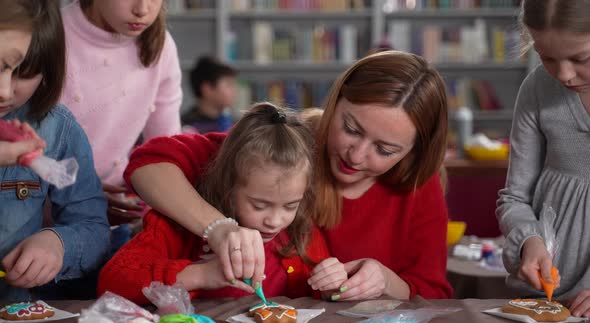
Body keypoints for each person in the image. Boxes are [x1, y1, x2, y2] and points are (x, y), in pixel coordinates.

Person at [125, 50, 452, 301]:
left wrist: (384, 279)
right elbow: (148, 164)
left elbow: (434, 294)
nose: (356, 154)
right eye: (351, 128)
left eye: (385, 150)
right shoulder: (289, 148)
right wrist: (218, 227)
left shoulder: (418, 187)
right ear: (335, 100)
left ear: (413, 152)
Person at [98, 103, 345, 304]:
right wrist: (201, 275)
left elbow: (313, 290)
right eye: (259, 205)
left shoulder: (301, 231)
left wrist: (329, 285)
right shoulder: (177, 225)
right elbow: (111, 283)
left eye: (290, 206)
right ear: (229, 185)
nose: (275, 220)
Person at [0, 0, 109, 301]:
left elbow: (93, 227)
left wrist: (58, 244)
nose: (5, 91)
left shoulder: (57, 129)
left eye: (22, 71)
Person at [497, 0, 590, 318]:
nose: (564, 74)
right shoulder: (536, 89)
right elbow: (515, 197)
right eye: (546, 57)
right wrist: (529, 240)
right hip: (545, 299)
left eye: (583, 58)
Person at [60, 0, 183, 226]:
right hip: (41, 206)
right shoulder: (51, 35)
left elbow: (167, 150)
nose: (142, 10)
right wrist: (78, 198)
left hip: (116, 210)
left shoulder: (162, 47)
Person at [182, 55, 238, 134]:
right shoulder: (186, 128)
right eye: (228, 85)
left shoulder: (235, 125)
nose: (234, 91)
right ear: (207, 89)